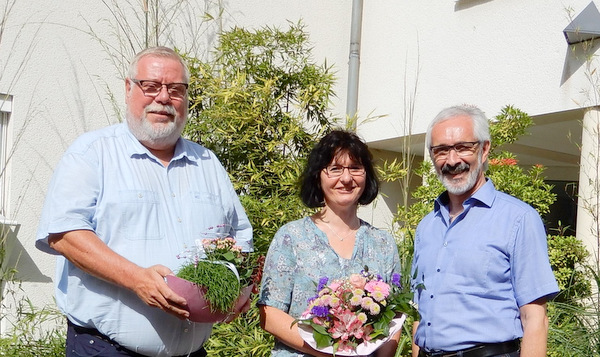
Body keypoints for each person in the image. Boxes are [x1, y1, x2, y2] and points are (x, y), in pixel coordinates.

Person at [35, 46, 253, 357]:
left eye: (175, 89)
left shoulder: (207, 164)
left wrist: (240, 287)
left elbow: (240, 239)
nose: (163, 98)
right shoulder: (92, 154)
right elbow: (65, 235)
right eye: (150, 86)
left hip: (193, 352)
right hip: (106, 350)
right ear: (128, 88)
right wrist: (138, 280)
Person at [411, 105, 559, 357]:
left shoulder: (518, 219)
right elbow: (420, 313)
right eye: (441, 150)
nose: (452, 160)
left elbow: (534, 318)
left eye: (463, 147)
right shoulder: (427, 226)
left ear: (484, 149)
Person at [258, 130, 402, 357]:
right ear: (318, 176)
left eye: (355, 168)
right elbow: (270, 314)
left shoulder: (383, 244)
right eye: (335, 168)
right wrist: (331, 353)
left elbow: (394, 319)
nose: (346, 179)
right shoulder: (291, 237)